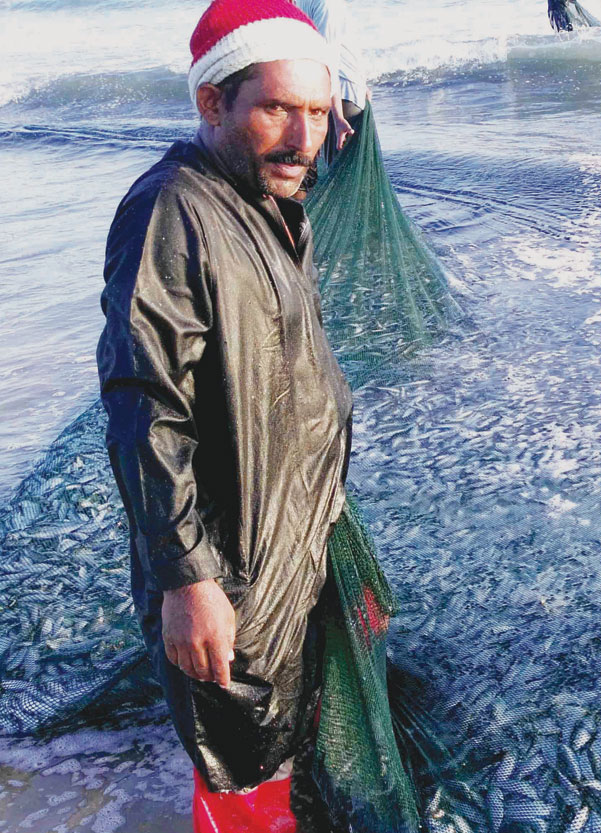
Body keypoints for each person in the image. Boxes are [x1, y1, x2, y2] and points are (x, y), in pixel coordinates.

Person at [97, 0, 386, 827]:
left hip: (293, 536)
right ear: (211, 102)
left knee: (282, 735)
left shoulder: (261, 200)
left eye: (319, 112)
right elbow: (143, 404)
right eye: (277, 109)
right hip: (233, 566)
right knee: (242, 755)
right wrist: (187, 578)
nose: (305, 138)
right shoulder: (172, 212)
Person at [295, 0, 369, 191]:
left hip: (334, 96)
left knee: (330, 180)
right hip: (340, 98)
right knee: (343, 184)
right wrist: (336, 117)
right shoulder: (327, 4)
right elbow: (327, 63)